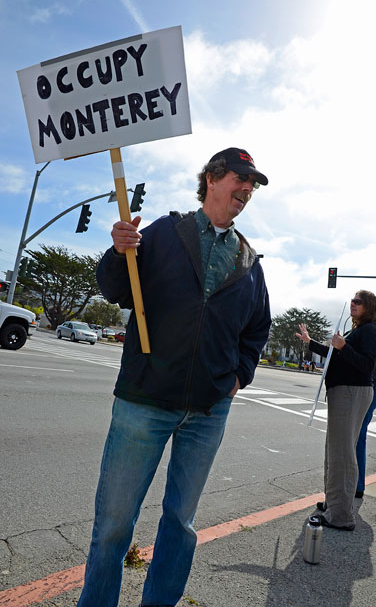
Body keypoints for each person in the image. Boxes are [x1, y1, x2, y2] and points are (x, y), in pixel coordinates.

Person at [76, 147, 271, 607]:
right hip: (143, 402)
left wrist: (238, 377)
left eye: (253, 185)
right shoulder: (166, 231)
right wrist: (118, 251)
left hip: (207, 413)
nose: (247, 190)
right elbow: (117, 289)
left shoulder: (249, 260)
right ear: (213, 177)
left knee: (180, 524)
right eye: (242, 178)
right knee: (113, 525)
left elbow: (257, 329)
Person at [296, 291, 376, 530]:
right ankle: (335, 503)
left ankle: (342, 515)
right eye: (353, 300)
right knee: (335, 450)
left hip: (351, 392)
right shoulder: (359, 331)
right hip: (344, 392)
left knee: (342, 453)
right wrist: (310, 342)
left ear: (369, 307)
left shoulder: (370, 331)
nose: (353, 304)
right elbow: (335, 354)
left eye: (358, 302)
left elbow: (367, 365)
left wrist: (344, 347)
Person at [355, 334, 376, 498]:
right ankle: (356, 483)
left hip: (373, 388)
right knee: (357, 435)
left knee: (359, 435)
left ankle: (358, 484)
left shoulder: (371, 335)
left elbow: (372, 369)